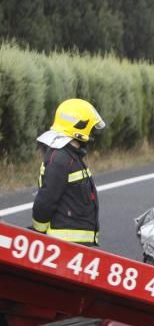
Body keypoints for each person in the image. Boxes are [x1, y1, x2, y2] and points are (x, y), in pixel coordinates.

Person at [31, 99, 105, 245]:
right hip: (63, 245)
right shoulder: (61, 158)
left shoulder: (72, 156)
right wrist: (38, 234)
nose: (91, 132)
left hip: (75, 246)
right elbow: (46, 200)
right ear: (79, 126)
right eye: (90, 127)